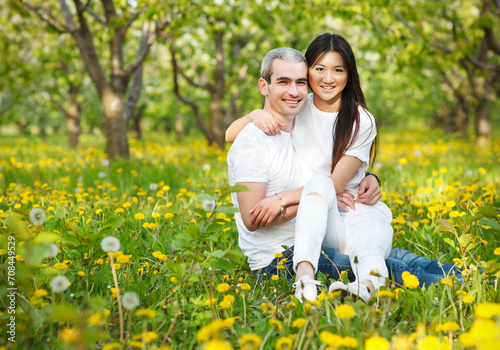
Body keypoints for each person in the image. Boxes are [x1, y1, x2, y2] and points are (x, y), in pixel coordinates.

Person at [227, 35, 464, 302]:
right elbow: (231, 136)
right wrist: (253, 115)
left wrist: (368, 177)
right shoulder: (284, 116)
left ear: (349, 75)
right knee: (395, 267)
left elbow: (335, 182)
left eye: (338, 70)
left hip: (341, 216)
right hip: (296, 238)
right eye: (319, 69)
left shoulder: (344, 117)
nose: (327, 78)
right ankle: (457, 286)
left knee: (405, 258)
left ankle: (476, 278)